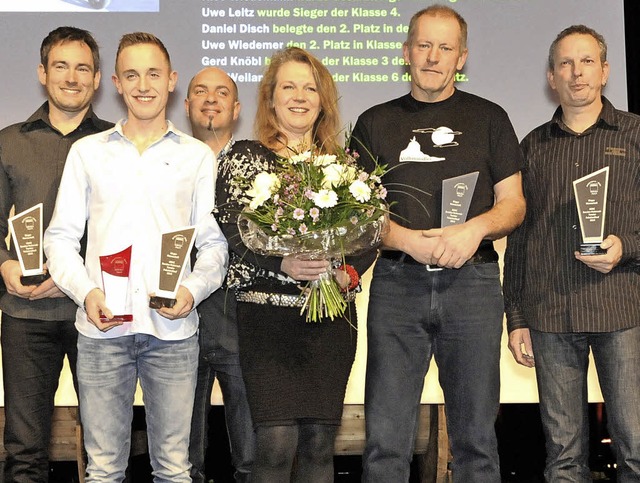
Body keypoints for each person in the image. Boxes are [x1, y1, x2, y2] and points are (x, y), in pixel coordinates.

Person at [350, 6, 526, 482]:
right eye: (423, 45)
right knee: (386, 443)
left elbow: (513, 204)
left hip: (473, 286)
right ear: (406, 52)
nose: (433, 56)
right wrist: (410, 242)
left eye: (445, 47)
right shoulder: (373, 122)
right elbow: (357, 214)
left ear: (461, 57)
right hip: (396, 285)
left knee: (476, 442)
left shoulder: (490, 117)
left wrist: (473, 230)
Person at [43, 32, 228, 481]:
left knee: (174, 469)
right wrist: (86, 293)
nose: (143, 84)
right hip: (103, 334)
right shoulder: (86, 153)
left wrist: (191, 289)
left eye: (153, 73)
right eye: (131, 75)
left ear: (171, 81)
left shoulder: (197, 157)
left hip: (173, 334)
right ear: (116, 84)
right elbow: (60, 238)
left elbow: (215, 246)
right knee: (104, 470)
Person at [216, 46, 376, 482]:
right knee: (274, 446)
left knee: (321, 448)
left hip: (330, 321)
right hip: (267, 322)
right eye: (288, 86)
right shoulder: (244, 157)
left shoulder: (343, 166)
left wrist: (348, 271)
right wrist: (281, 264)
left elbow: (370, 233)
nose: (300, 96)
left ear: (323, 100)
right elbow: (232, 231)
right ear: (270, 98)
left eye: (310, 88)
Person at [504, 25, 640, 482]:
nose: (576, 72)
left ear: (604, 71)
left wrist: (627, 246)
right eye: (565, 63)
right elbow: (519, 240)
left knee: (637, 447)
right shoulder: (530, 148)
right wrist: (517, 317)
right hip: (549, 317)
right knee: (562, 460)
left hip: (621, 310)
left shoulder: (637, 136)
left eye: (586, 62)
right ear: (550, 76)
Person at [0, 26, 112, 482]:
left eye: (82, 67)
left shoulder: (116, 143)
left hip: (99, 315)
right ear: (42, 73)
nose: (72, 77)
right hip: (26, 316)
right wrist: (4, 264)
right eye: (61, 66)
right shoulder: (9, 142)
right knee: (25, 452)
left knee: (108, 447)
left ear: (99, 78)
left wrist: (73, 275)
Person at [185, 67, 255, 483]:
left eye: (222, 92)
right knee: (181, 459)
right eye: (200, 91)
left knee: (250, 458)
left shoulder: (258, 166)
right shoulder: (167, 161)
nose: (211, 99)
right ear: (187, 104)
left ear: (237, 108)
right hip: (177, 322)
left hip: (241, 322)